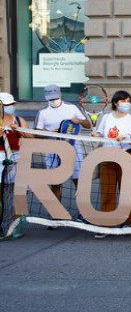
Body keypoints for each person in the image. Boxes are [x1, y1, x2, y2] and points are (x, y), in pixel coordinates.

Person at [90, 90, 131, 238]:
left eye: (128, 101)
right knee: (107, 192)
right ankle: (105, 224)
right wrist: (96, 134)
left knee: (126, 191)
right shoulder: (107, 117)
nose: (126, 104)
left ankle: (127, 221)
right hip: (107, 157)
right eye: (124, 101)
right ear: (116, 103)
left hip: (125, 157)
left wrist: (127, 139)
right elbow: (101, 133)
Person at [34, 84, 91, 216]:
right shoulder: (43, 113)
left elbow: (88, 124)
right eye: (50, 99)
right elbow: (37, 133)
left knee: (79, 181)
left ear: (60, 95)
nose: (53, 101)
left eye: (55, 98)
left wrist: (80, 121)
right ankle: (56, 213)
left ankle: (84, 212)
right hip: (52, 149)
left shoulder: (72, 108)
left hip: (73, 147)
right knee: (55, 182)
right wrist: (52, 133)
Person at [0, 93, 32, 223]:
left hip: (17, 156)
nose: (10, 107)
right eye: (7, 105)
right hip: (1, 156)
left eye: (11, 104)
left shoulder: (19, 120)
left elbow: (31, 137)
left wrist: (19, 130)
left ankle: (16, 224)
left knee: (20, 191)